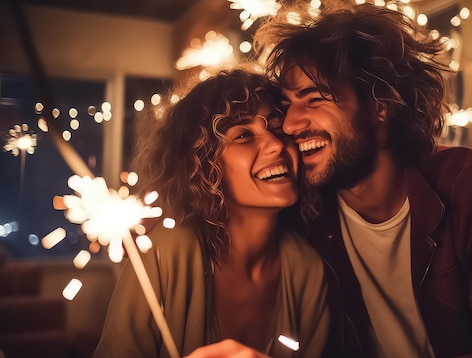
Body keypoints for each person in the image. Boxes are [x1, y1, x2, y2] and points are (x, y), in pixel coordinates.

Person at [186, 3, 472, 358]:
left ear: (381, 105)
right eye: (288, 104)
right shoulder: (304, 212)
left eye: (314, 99)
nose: (292, 123)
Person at [93, 69, 329, 358]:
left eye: (277, 128)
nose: (276, 144)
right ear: (204, 165)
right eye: (243, 135)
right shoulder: (164, 254)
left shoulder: (306, 268)